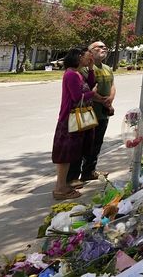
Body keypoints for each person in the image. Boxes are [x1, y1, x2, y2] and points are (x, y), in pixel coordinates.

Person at [51, 46, 96, 200]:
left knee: (71, 153)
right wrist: (93, 94)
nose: (88, 58)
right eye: (85, 56)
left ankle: (63, 185)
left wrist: (90, 68)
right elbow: (77, 97)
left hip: (76, 118)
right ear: (78, 57)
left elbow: (90, 83)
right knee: (65, 153)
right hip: (68, 119)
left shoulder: (78, 73)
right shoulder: (71, 75)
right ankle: (60, 188)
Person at [68, 41, 115, 184]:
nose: (103, 48)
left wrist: (110, 101)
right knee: (81, 145)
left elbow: (112, 86)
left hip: (103, 113)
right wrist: (102, 100)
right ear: (90, 52)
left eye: (105, 47)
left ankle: (89, 172)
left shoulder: (107, 68)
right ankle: (73, 176)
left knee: (96, 144)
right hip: (87, 113)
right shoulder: (84, 69)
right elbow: (86, 89)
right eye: (99, 47)